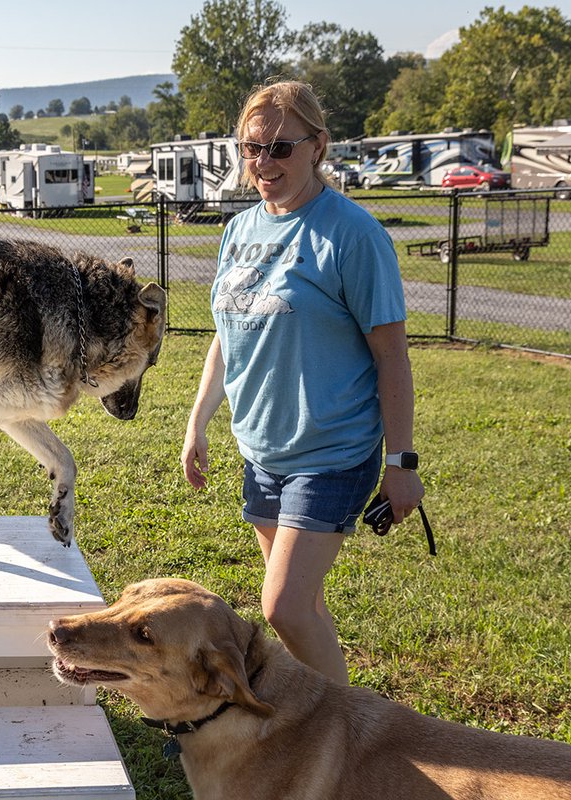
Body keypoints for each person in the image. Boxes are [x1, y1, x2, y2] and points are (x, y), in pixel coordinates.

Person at [180, 80, 424, 685]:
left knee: (282, 607)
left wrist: (401, 461)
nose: (264, 164)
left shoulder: (351, 234)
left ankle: (345, 733)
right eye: (251, 148)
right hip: (263, 449)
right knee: (303, 607)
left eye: (281, 148)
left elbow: (392, 355)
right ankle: (316, 721)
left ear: (319, 146)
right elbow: (226, 334)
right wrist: (198, 423)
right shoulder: (238, 232)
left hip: (332, 452)